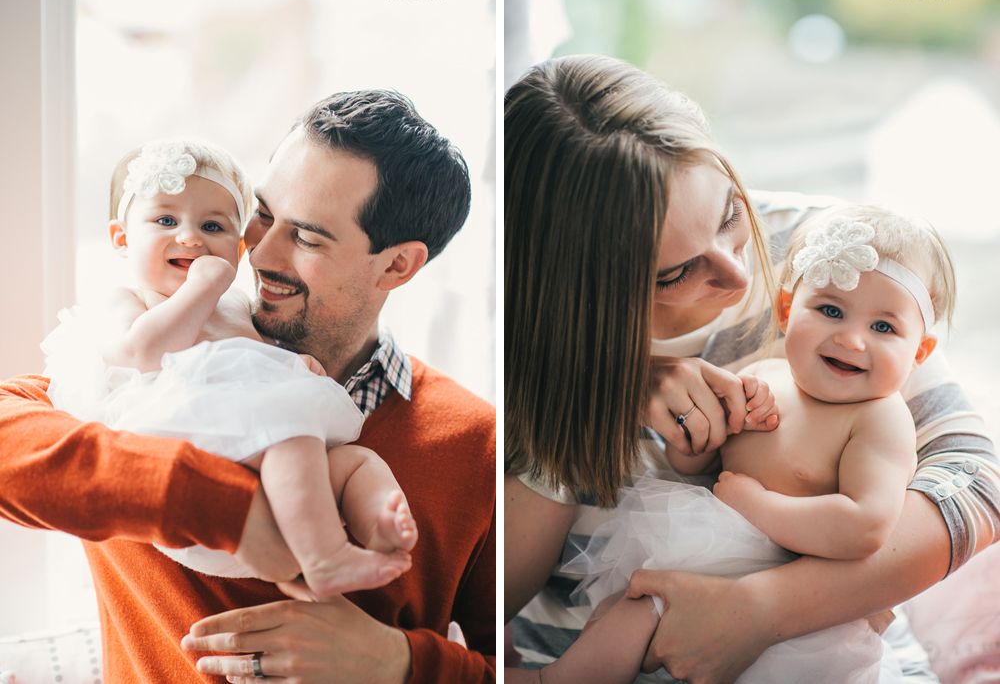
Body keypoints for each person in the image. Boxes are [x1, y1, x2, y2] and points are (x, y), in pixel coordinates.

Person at [505, 55, 1000, 684]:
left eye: (730, 214)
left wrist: (760, 611)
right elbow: (484, 598)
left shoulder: (833, 259)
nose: (740, 277)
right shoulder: (510, 344)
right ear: (575, 289)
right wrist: (600, 390)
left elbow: (977, 488)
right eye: (672, 273)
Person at [0, 90, 496, 684]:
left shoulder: (477, 444)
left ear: (397, 265)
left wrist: (398, 662)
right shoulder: (136, 377)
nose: (256, 250)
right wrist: (217, 508)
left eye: (307, 237)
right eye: (261, 212)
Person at [510, 205, 955, 684]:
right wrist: (698, 441)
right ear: (788, 312)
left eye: (883, 327)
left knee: (649, 609)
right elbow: (692, 468)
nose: (852, 339)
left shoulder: (880, 416)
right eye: (830, 310)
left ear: (919, 354)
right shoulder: (761, 375)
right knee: (631, 604)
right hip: (705, 551)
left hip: (792, 588)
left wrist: (758, 504)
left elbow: (865, 526)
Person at [41, 137, 416, 595]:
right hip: (203, 478)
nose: (191, 237)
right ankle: (325, 557)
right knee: (289, 432)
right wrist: (201, 289)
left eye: (213, 226)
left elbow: (257, 359)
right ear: (122, 239)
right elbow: (141, 353)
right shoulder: (130, 300)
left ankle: (379, 530)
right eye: (165, 220)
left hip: (274, 489)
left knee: (356, 460)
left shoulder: (237, 304)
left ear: (237, 249)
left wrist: (296, 365)